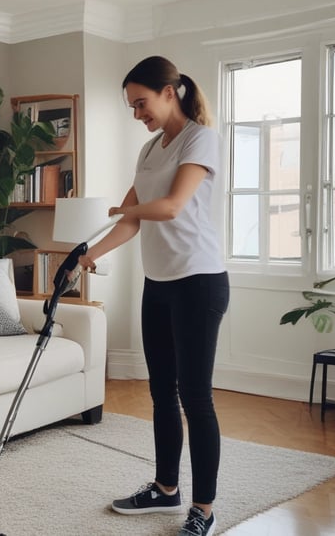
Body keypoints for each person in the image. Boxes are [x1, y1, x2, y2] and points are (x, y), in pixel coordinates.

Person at [78, 56, 229, 536]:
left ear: (169, 92)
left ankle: (203, 510)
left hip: (199, 281)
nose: (137, 113)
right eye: (131, 106)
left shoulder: (200, 139)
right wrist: (90, 253)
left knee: (196, 398)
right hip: (159, 283)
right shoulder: (148, 150)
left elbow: (169, 206)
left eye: (141, 103)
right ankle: (166, 489)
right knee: (161, 392)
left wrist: (124, 208)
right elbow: (131, 221)